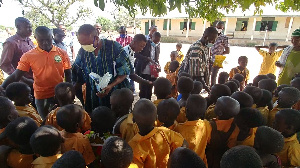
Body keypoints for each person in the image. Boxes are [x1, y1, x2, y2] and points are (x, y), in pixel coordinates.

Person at [0, 26, 72, 119]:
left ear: (52, 37)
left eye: (48, 39)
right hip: (41, 96)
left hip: (59, 94)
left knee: (64, 120)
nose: (45, 43)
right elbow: (16, 75)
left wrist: (69, 91)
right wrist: (2, 87)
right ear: (35, 38)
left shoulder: (61, 53)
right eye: (41, 40)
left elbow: (68, 72)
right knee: (46, 121)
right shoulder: (29, 56)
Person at [72, 24, 131, 113]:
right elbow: (77, 73)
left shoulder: (114, 47)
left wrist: (111, 86)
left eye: (87, 44)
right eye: (82, 44)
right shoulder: (82, 52)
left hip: (115, 96)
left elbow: (124, 72)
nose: (84, 47)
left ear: (96, 37)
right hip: (93, 98)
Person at [128, 99, 185, 167]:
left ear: (134, 120)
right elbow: (184, 144)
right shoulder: (165, 132)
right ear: (156, 118)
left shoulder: (133, 146)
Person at [179, 27, 218, 92]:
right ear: (205, 37)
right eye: (212, 40)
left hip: (197, 83)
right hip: (191, 84)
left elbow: (204, 61)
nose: (213, 42)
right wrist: (208, 90)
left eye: (215, 40)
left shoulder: (205, 46)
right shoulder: (196, 49)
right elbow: (197, 76)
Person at [206, 96, 240, 168]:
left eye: (216, 105)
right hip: (223, 156)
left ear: (220, 113)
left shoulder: (209, 125)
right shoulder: (235, 127)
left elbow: (206, 141)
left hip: (209, 155)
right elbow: (231, 145)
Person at [174, 95, 209, 165]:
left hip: (185, 164)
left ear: (186, 110)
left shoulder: (179, 128)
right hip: (200, 162)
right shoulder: (206, 124)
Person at [0, 17, 34, 85]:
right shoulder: (11, 43)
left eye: (31, 27)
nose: (30, 30)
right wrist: (21, 79)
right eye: (27, 27)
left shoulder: (29, 41)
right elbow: (5, 64)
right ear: (18, 27)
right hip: (22, 83)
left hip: (34, 79)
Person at [135, 32, 161, 100]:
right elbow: (136, 54)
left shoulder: (157, 47)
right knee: (143, 89)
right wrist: (147, 59)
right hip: (143, 70)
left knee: (149, 89)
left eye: (157, 41)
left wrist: (158, 66)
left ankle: (148, 104)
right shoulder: (145, 44)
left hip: (152, 72)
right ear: (152, 37)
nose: (156, 43)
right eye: (155, 41)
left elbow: (156, 59)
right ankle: (142, 103)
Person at [210, 21, 230, 86]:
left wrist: (220, 54)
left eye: (220, 27)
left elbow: (228, 50)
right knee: (207, 73)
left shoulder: (224, 38)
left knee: (214, 75)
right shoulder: (211, 36)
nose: (218, 29)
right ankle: (208, 86)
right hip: (209, 57)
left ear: (223, 28)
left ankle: (213, 88)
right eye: (217, 27)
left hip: (218, 59)